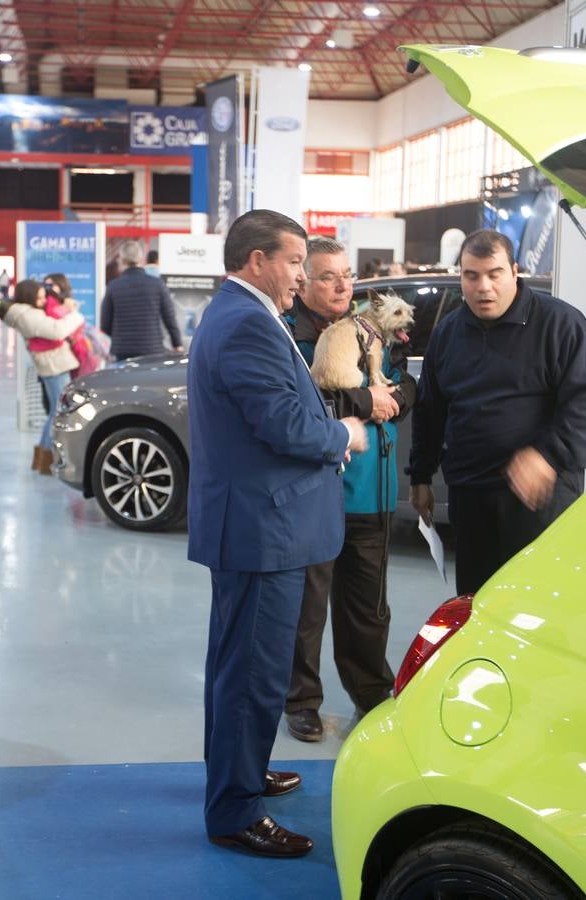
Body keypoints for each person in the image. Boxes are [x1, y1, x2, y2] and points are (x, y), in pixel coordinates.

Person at [188, 209, 367, 859]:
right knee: (254, 675)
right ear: (257, 260)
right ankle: (235, 809)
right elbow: (287, 427)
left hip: (257, 524)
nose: (303, 274)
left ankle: (238, 770)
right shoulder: (244, 323)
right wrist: (342, 434)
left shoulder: (240, 315)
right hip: (263, 528)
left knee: (239, 667)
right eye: (295, 261)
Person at [409, 229, 586, 594]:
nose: (483, 287)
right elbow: (430, 409)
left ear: (515, 271)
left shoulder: (560, 324)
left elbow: (585, 403)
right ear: (461, 277)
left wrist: (545, 457)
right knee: (477, 600)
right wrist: (420, 475)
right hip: (470, 496)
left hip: (540, 498)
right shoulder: (448, 333)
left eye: (494, 273)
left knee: (538, 600)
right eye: (472, 275)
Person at [281, 237, 416, 743]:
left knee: (367, 606)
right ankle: (301, 701)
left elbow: (407, 387)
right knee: (307, 609)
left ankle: (371, 692)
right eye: (326, 276)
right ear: (303, 280)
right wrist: (366, 397)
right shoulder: (289, 336)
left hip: (372, 494)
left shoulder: (372, 327)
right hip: (316, 495)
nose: (341, 285)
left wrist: (391, 399)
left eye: (347, 276)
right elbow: (304, 406)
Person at [0, 279, 85, 475]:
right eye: (39, 297)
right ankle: (46, 459)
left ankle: (43, 459)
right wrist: (75, 315)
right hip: (54, 366)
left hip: (54, 365)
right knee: (58, 411)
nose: (43, 300)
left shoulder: (26, 313)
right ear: (29, 297)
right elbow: (57, 331)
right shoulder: (28, 316)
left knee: (57, 410)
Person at [99, 240, 183, 360]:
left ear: (121, 260)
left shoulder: (113, 287)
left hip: (123, 352)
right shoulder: (157, 284)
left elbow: (105, 324)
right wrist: (177, 344)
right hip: (152, 349)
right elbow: (170, 318)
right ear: (141, 259)